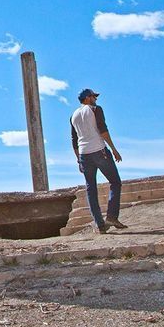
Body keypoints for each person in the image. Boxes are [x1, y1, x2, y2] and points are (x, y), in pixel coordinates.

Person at [70, 87, 126, 233]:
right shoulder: (95, 109)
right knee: (115, 182)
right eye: (94, 96)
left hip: (84, 155)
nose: (96, 99)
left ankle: (100, 225)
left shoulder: (73, 115)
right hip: (99, 151)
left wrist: (79, 160)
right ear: (88, 98)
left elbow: (74, 140)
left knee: (91, 189)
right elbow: (103, 129)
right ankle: (112, 217)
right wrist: (114, 149)